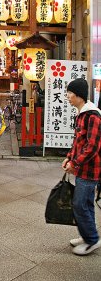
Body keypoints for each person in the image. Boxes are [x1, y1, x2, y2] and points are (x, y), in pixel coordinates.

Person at [62, 78, 101, 256]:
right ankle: (87, 236)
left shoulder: (93, 116)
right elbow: (78, 142)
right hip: (82, 168)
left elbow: (92, 146)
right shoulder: (82, 114)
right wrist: (69, 157)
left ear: (79, 95)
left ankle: (92, 239)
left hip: (90, 170)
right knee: (86, 204)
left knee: (79, 204)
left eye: (70, 93)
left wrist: (75, 162)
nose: (67, 96)